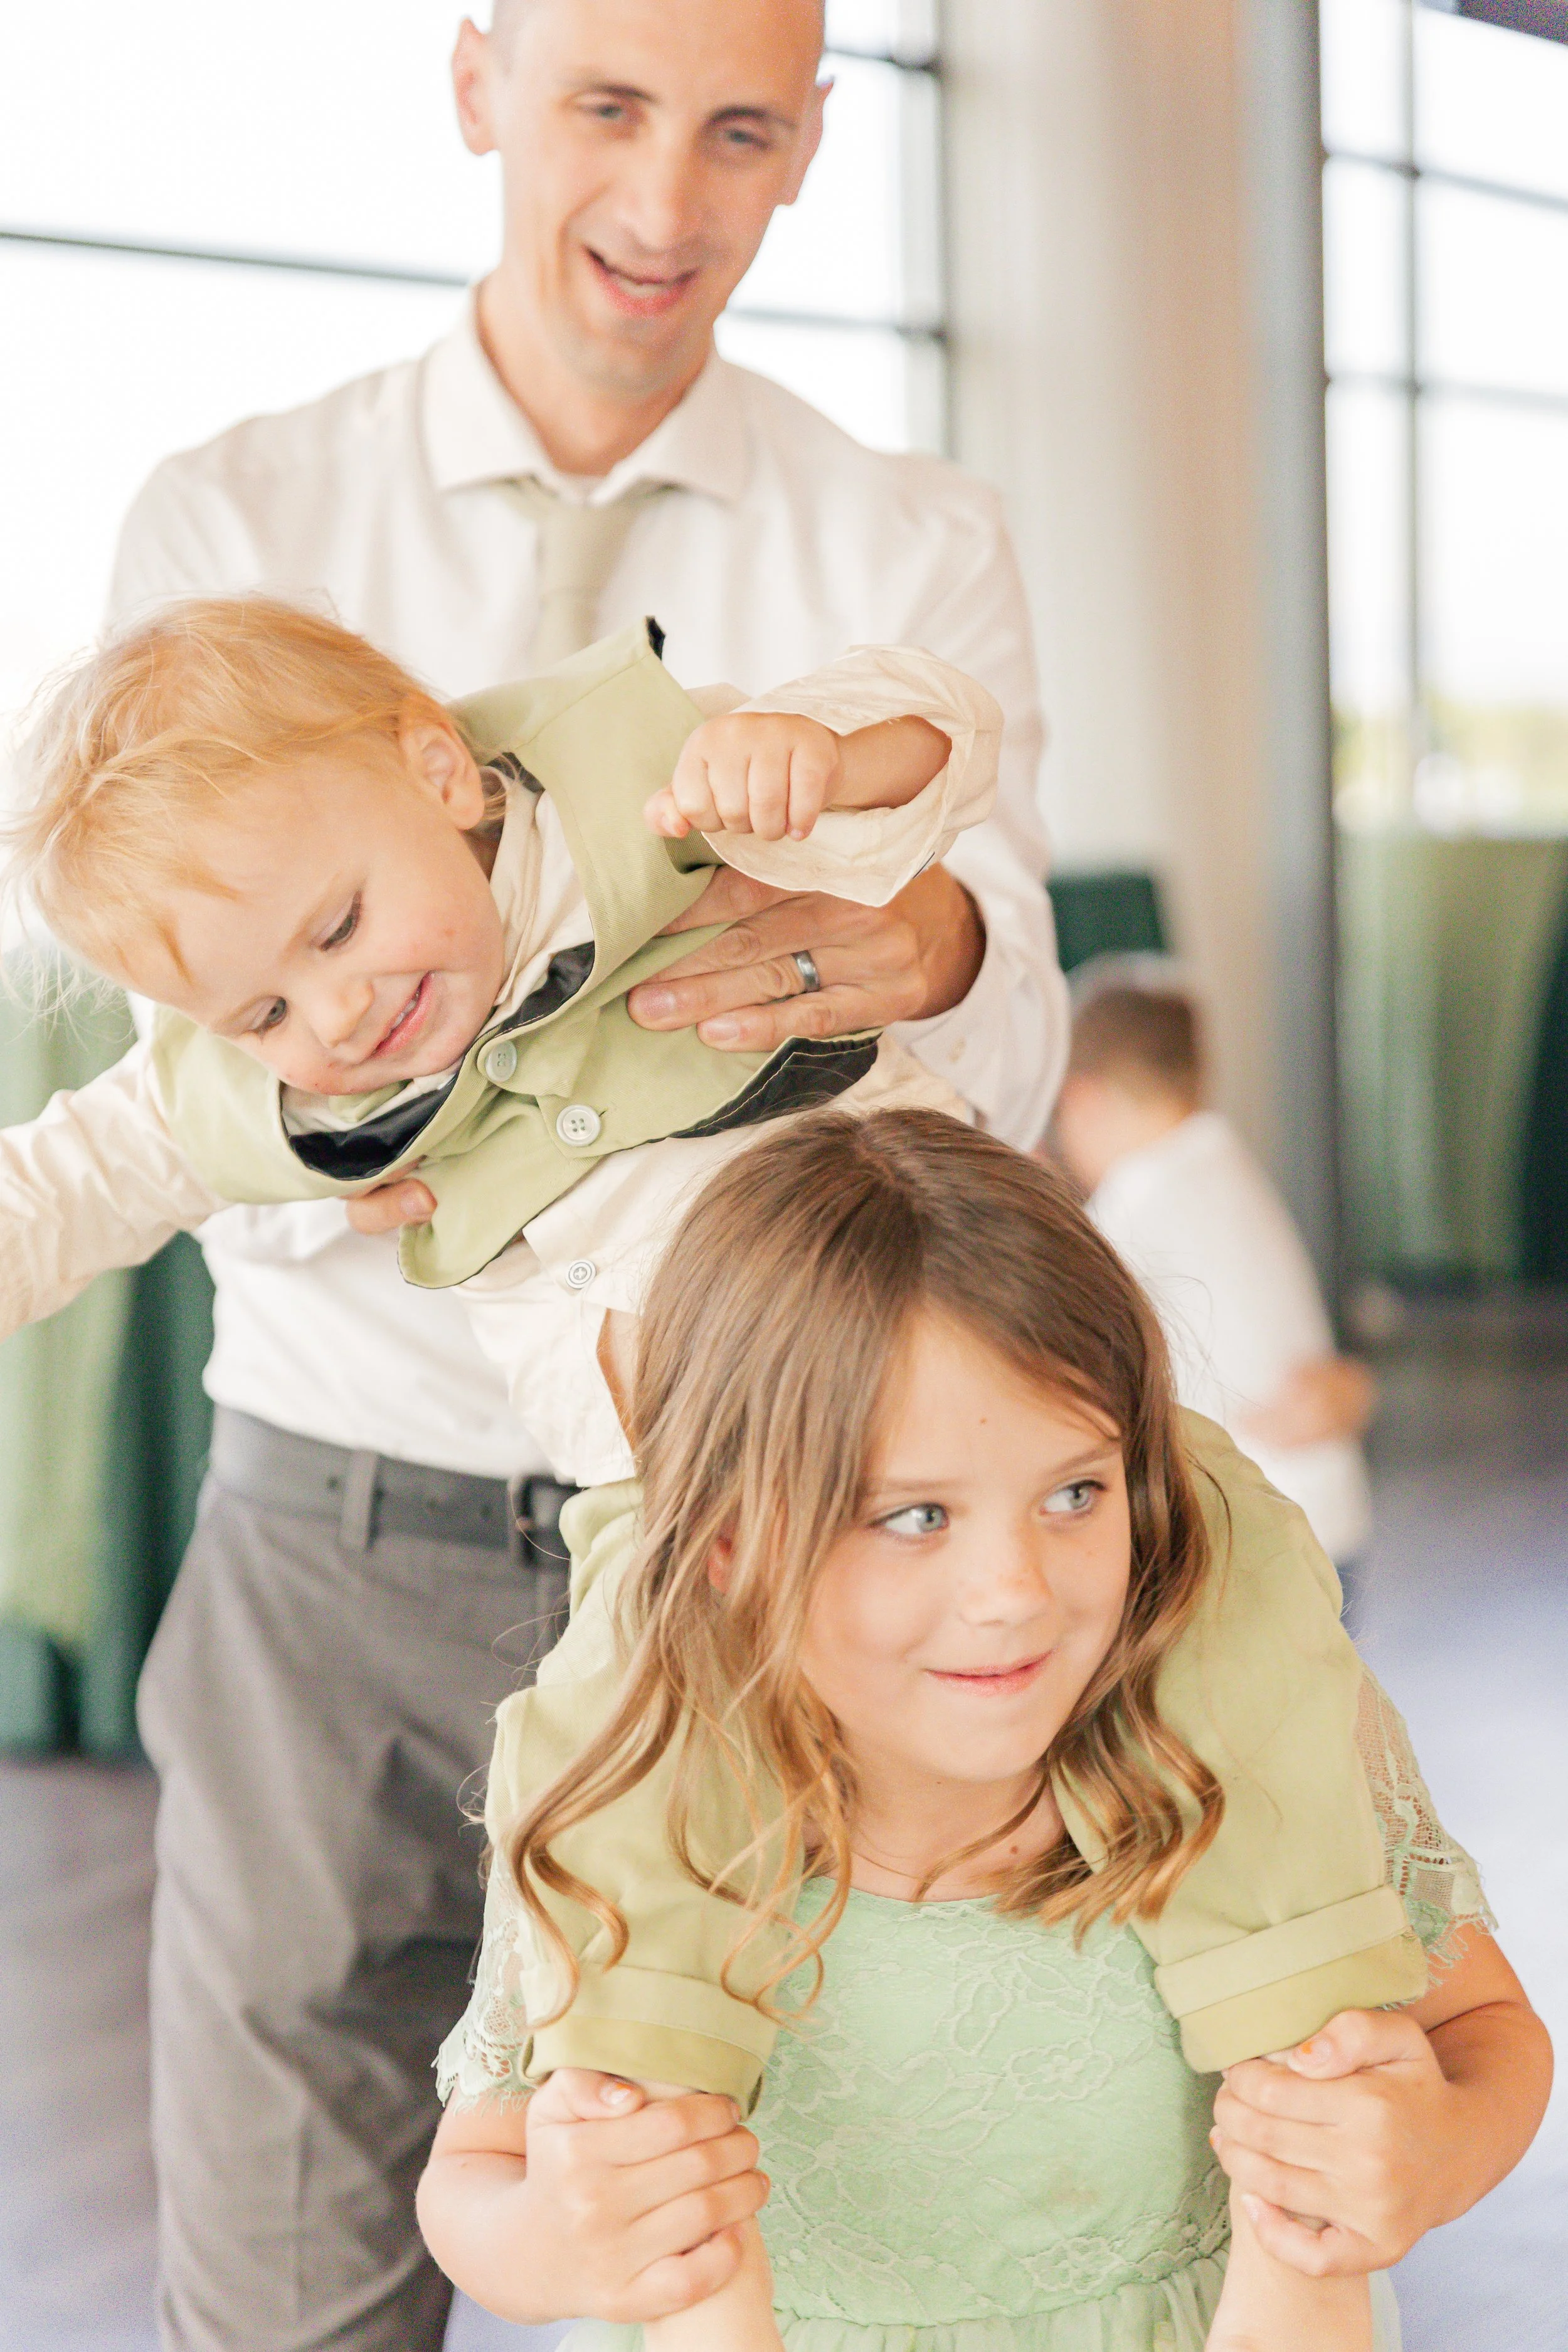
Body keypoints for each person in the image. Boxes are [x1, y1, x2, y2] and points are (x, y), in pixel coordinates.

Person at [96, 1, 1066, 2339]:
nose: (663, 202)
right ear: (477, 91)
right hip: (340, 1547)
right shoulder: (235, 521)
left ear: (816, 143)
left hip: (786, 1542)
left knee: (815, 2255)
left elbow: (1007, 1043)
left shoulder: (907, 540)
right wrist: (418, 1098)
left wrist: (918, 932)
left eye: (740, 131)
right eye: (606, 110)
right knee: (291, 2281)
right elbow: (190, 1100)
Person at [416, 1110, 1552, 2351]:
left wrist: (1427, 2153)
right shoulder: (638, 1786)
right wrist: (553, 2238)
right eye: (913, 1518)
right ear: (732, 1540)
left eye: (1075, 1492)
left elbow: (1481, 2036)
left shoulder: (1250, 1738)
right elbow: (474, 2165)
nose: (1014, 1588)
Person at [1, 599, 997, 1480]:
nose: (335, 1016)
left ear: (439, 776)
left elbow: (949, 733)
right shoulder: (289, 1097)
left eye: (339, 927)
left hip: (947, 1318)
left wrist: (823, 751)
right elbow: (69, 1182)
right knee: (618, 1687)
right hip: (680, 1497)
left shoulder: (642, 794)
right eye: (266, 1017)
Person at [1051, 963, 1374, 1601]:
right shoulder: (1222, 1168)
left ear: (1081, 1099)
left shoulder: (1134, 1209)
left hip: (1258, 1544)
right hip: (1322, 1522)